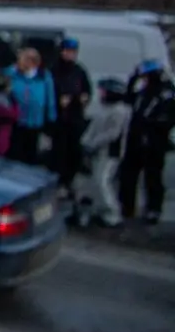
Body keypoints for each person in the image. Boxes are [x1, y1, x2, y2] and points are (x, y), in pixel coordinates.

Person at [121, 60, 175, 224]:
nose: (143, 79)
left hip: (154, 141)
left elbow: (168, 118)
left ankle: (153, 209)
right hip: (136, 139)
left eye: (145, 76)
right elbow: (129, 98)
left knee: (153, 177)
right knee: (128, 175)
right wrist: (133, 79)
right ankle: (127, 207)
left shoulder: (166, 93)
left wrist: (152, 127)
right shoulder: (143, 91)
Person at [78, 77, 132, 228]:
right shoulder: (103, 109)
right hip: (96, 151)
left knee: (103, 181)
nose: (101, 94)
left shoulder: (120, 111)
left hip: (110, 153)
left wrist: (93, 144)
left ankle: (113, 213)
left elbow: (112, 134)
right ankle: (99, 210)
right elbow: (93, 127)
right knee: (94, 181)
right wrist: (85, 142)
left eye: (104, 92)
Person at [49, 38, 93, 211]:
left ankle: (69, 182)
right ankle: (59, 183)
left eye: (73, 52)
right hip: (60, 120)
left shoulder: (79, 70)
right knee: (58, 153)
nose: (70, 55)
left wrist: (84, 97)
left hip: (75, 119)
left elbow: (88, 90)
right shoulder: (54, 71)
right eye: (67, 51)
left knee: (74, 154)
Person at [5, 48, 56, 166]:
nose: (24, 63)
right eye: (23, 60)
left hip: (35, 122)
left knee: (31, 152)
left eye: (30, 60)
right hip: (17, 121)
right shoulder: (12, 74)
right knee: (15, 152)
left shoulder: (44, 76)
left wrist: (51, 117)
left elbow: (50, 98)